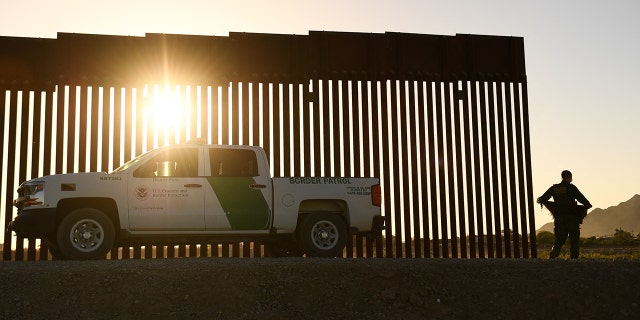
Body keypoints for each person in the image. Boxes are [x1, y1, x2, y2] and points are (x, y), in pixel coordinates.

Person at [537, 170, 592, 259]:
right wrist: (587, 205)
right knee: (574, 239)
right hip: (571, 218)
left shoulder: (554, 188)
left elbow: (541, 199)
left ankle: (554, 253)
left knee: (560, 239)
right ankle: (574, 258)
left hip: (558, 218)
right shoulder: (571, 188)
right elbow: (582, 199)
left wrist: (553, 205)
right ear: (569, 177)